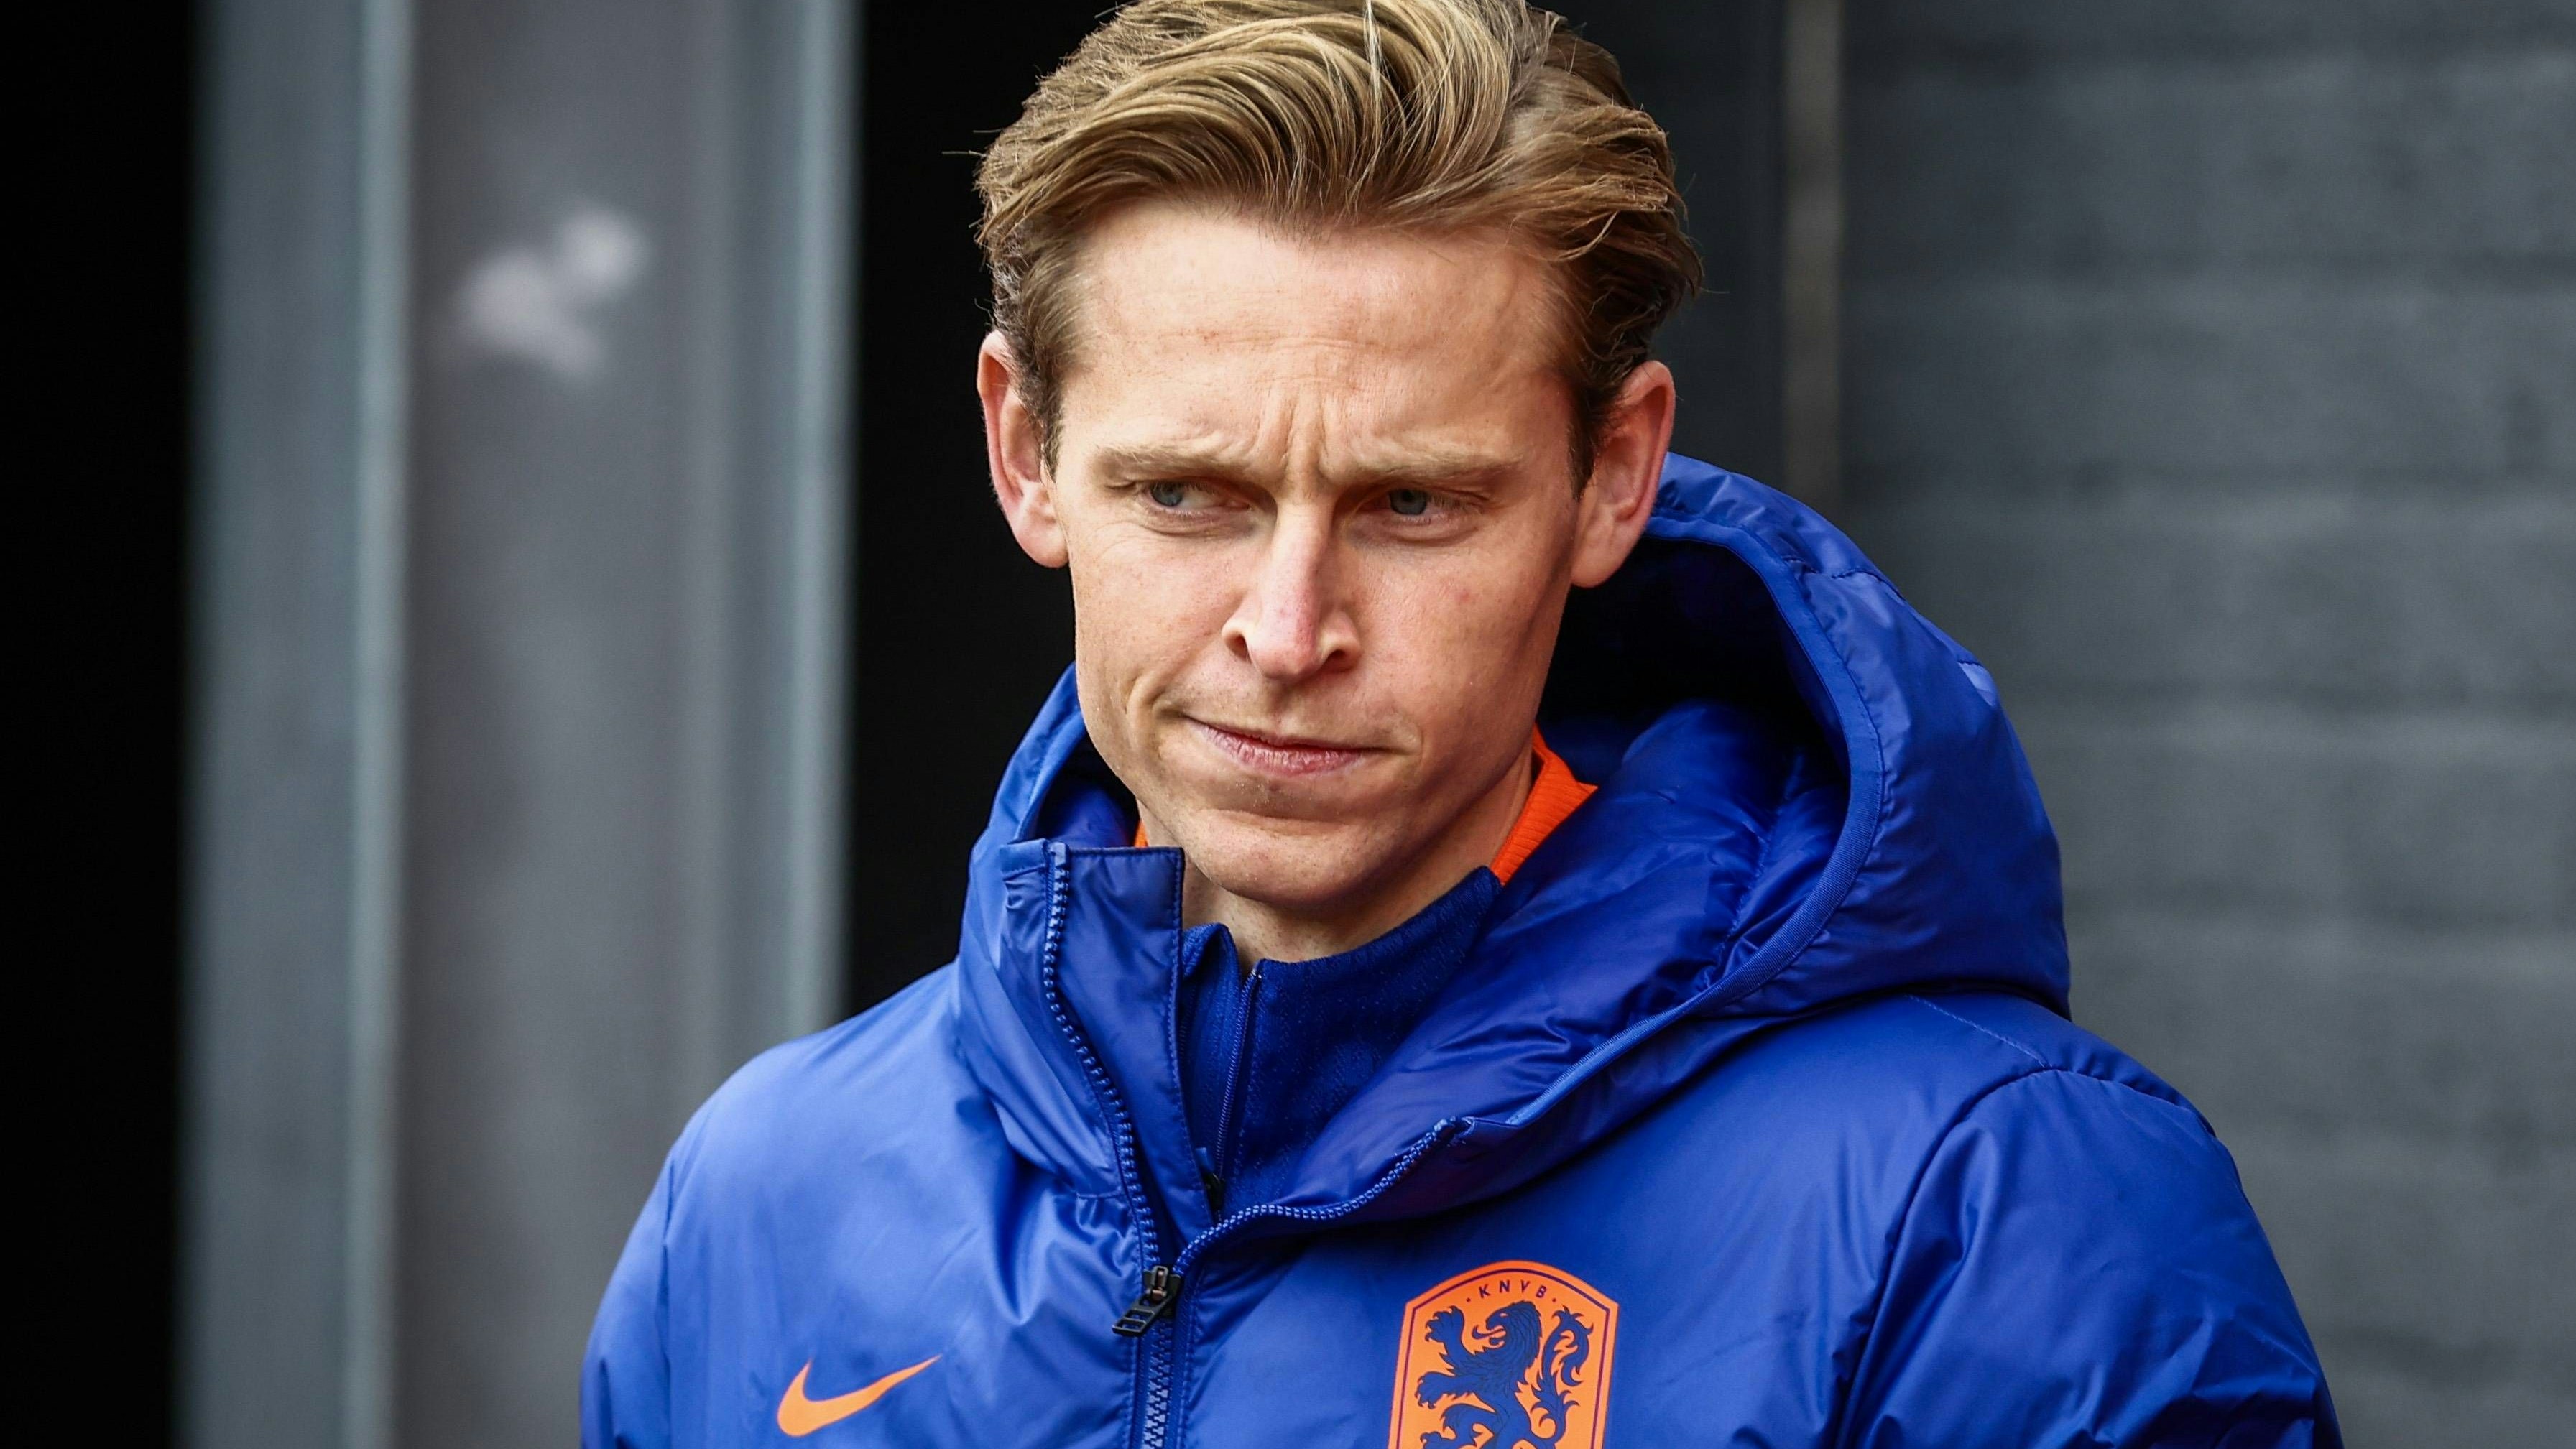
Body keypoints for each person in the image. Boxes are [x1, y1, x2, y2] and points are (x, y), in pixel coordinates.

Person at [583, 1, 2340, 1444]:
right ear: (1025, 455)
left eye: (1412, 505)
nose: (1286, 632)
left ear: (1610, 478)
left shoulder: (1990, 1209)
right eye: (1187, 494)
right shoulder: (766, 1190)